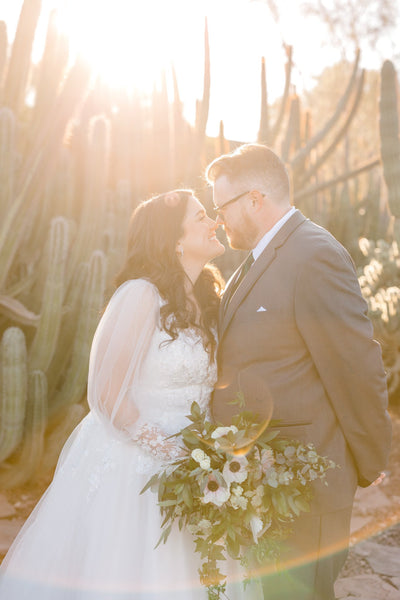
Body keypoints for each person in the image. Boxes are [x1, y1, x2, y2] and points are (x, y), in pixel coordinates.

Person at [0, 190, 262, 599]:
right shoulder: (141, 295)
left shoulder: (210, 296)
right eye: (200, 216)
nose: (213, 221)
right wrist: (170, 453)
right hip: (137, 462)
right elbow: (106, 393)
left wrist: (208, 456)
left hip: (198, 461)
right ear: (174, 240)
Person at [205, 144, 392, 600]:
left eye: (221, 207)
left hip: (305, 484)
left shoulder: (314, 255)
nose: (217, 220)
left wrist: (370, 459)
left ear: (255, 200)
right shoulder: (253, 262)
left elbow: (355, 366)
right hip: (261, 481)